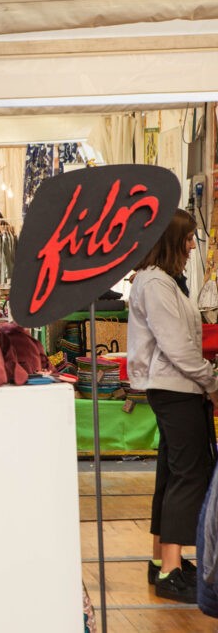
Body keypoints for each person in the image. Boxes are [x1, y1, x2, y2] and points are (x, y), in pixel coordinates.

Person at [128, 208, 218, 603]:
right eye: (186, 237)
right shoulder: (156, 284)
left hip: (176, 386)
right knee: (189, 475)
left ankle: (162, 561)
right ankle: (171, 569)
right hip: (176, 388)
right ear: (170, 239)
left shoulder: (163, 281)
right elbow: (177, 346)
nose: (189, 245)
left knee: (171, 473)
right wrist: (210, 381)